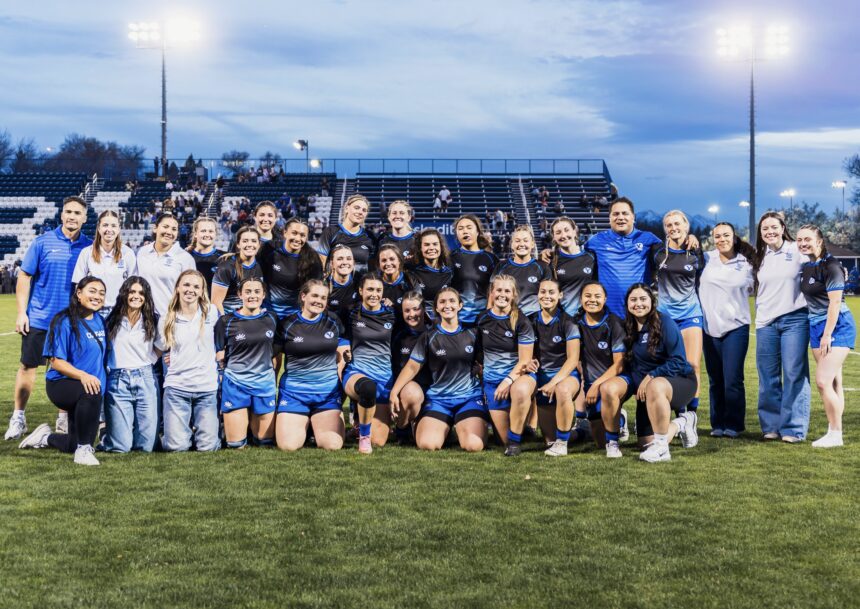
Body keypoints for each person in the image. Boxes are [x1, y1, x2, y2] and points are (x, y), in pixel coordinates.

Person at [6, 196, 92, 441]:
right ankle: (18, 417)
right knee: (27, 367)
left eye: (77, 213)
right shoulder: (42, 242)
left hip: (71, 322)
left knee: (66, 371)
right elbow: (24, 277)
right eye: (68, 212)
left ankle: (63, 418)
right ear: (61, 214)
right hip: (40, 319)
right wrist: (22, 313)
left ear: (85, 218)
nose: (72, 216)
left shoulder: (89, 247)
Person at [17, 276, 107, 466]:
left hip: (88, 388)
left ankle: (45, 437)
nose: (97, 296)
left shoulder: (101, 321)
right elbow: (56, 362)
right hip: (61, 384)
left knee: (71, 444)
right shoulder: (63, 321)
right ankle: (84, 451)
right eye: (92, 291)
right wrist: (84, 376)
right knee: (91, 391)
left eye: (101, 293)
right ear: (79, 293)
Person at [390, 288, 488, 452]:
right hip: (438, 400)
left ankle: (459, 426)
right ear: (436, 308)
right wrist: (395, 392)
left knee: (473, 445)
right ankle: (428, 426)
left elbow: (485, 362)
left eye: (451, 301)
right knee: (428, 445)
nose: (447, 305)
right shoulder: (429, 336)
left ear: (460, 305)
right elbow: (413, 366)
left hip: (468, 398)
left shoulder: (473, 333)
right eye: (442, 302)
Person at [623, 284, 698, 463]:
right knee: (645, 443)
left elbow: (679, 361)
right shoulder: (628, 327)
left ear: (652, 302)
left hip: (681, 381)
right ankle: (683, 422)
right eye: (633, 300)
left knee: (655, 385)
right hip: (649, 391)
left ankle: (663, 449)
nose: (638, 304)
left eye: (643, 299)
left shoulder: (665, 323)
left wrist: (651, 376)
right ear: (627, 303)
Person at [752, 211, 810, 442]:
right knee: (767, 376)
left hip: (795, 319)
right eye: (765, 228)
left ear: (783, 227)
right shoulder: (759, 256)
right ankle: (771, 426)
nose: (770, 232)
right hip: (766, 323)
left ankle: (793, 428)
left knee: (794, 373)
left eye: (774, 227)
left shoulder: (796, 250)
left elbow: (820, 262)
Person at [797, 225, 856, 448]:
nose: (803, 243)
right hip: (815, 326)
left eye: (808, 239)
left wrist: (827, 335)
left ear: (820, 241)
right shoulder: (806, 266)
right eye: (800, 240)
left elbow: (835, 302)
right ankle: (835, 431)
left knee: (822, 381)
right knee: (833, 382)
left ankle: (835, 433)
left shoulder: (831, 266)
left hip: (836, 327)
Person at [274, 280, 350, 451]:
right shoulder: (287, 324)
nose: (319, 301)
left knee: (332, 445)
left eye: (323, 297)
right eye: (314, 295)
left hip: (326, 395)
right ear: (303, 296)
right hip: (295, 394)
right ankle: (306, 426)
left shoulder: (333, 321)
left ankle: (315, 425)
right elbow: (275, 358)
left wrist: (342, 389)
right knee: (288, 446)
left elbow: (345, 358)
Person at [699, 222, 755, 438]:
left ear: (734, 237)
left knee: (732, 379)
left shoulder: (746, 262)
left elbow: (756, 286)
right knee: (715, 379)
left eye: (726, 235)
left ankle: (733, 425)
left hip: (736, 326)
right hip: (709, 326)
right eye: (718, 236)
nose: (722, 239)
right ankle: (717, 424)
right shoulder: (706, 259)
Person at [157, 270, 220, 452]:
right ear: (177, 288)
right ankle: (174, 434)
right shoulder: (167, 318)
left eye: (196, 286)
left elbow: (222, 340)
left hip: (206, 388)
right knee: (177, 448)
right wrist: (170, 356)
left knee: (207, 448)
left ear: (202, 291)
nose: (190, 290)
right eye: (186, 285)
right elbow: (159, 349)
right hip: (177, 389)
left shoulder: (212, 313)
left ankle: (211, 431)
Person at [474, 275, 536, 455]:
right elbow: (478, 352)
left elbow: (525, 361)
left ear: (514, 294)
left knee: (521, 391)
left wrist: (507, 381)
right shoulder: (482, 318)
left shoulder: (522, 321)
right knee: (502, 439)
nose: (502, 294)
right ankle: (520, 426)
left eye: (507, 291)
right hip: (492, 382)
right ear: (491, 293)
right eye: (498, 290)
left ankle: (516, 443)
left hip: (518, 377)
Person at [652, 210, 705, 418]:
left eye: (677, 224)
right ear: (665, 229)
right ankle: (679, 411)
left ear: (686, 226)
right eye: (669, 225)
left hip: (690, 313)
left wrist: (695, 240)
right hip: (665, 316)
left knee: (692, 365)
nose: (673, 228)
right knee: (669, 365)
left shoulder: (696, 251)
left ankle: (690, 416)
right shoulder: (657, 252)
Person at [215, 278, 279, 449]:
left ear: (264, 295)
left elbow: (277, 350)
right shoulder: (225, 321)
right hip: (236, 384)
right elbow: (218, 354)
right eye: (248, 292)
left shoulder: (272, 319)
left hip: (263, 384)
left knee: (265, 443)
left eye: (257, 292)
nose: (253, 295)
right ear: (239, 294)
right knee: (235, 445)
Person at [100, 277, 159, 453]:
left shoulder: (153, 320)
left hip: (145, 378)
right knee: (121, 448)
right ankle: (107, 434)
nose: (136, 296)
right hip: (118, 379)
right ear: (124, 293)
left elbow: (161, 347)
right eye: (132, 292)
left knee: (146, 447)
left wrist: (149, 361)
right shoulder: (110, 320)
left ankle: (117, 430)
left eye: (141, 293)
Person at [581, 198, 665, 317]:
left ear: (633, 217)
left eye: (625, 213)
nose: (620, 217)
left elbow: (671, 253)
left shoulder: (648, 238)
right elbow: (574, 256)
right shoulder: (596, 241)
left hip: (639, 313)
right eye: (615, 214)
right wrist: (549, 252)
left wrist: (689, 240)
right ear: (609, 218)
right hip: (608, 316)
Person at [342, 273, 397, 453]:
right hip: (357, 372)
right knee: (367, 388)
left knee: (379, 441)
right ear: (360, 290)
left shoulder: (392, 314)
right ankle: (363, 437)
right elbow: (338, 333)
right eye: (370, 289)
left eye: (378, 290)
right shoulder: (350, 312)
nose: (374, 294)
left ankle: (361, 424)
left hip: (384, 378)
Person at [576, 281, 631, 458]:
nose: (592, 300)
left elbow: (619, 364)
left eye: (597, 296)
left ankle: (614, 443)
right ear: (581, 299)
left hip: (615, 380)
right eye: (588, 296)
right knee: (599, 442)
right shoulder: (575, 323)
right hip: (591, 383)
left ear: (605, 299)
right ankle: (618, 418)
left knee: (608, 440)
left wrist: (596, 385)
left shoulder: (614, 323)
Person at [527, 279, 582, 457]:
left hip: (565, 376)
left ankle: (563, 444)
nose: (547, 296)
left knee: (563, 390)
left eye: (551, 292)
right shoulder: (530, 320)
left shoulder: (568, 322)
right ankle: (579, 433)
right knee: (549, 439)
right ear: (538, 295)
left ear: (560, 295)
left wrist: (554, 382)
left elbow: (573, 359)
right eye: (543, 292)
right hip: (542, 379)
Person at [72, 210, 137, 318]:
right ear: (99, 228)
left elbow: (134, 285)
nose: (109, 230)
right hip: (92, 311)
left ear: (118, 229)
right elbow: (78, 285)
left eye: (113, 226)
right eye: (105, 225)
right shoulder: (86, 252)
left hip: (119, 312)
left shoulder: (128, 253)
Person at [136, 212, 196, 318]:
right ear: (155, 228)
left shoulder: (185, 259)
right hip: (142, 319)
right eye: (165, 227)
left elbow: (191, 293)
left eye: (174, 229)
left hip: (170, 319)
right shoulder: (142, 252)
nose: (169, 232)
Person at [261, 218, 323, 319]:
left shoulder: (312, 259)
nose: (298, 239)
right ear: (285, 233)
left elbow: (315, 290)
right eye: (294, 233)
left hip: (294, 316)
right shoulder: (269, 249)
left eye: (302, 235)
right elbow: (252, 267)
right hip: (267, 312)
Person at [389, 291, 430, 444]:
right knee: (412, 393)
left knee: (429, 441)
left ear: (424, 309)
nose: (412, 314)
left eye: (416, 309)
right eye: (407, 310)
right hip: (407, 392)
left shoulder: (434, 332)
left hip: (433, 392)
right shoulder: (397, 335)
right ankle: (402, 430)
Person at [450, 214, 497, 326]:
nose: (465, 231)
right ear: (456, 234)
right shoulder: (450, 258)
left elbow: (495, 290)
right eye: (460, 229)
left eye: (469, 227)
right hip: (457, 321)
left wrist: (488, 316)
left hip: (483, 321)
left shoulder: (491, 259)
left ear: (477, 232)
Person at [492, 225, 549, 316]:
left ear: (532, 244)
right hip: (506, 318)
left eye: (526, 241)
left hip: (533, 319)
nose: (521, 244)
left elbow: (547, 297)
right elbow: (492, 294)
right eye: (517, 241)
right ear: (512, 244)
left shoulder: (542, 267)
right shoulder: (502, 266)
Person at [547, 217, 597, 317]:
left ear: (575, 231)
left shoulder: (592, 257)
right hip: (565, 319)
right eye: (558, 232)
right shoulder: (552, 262)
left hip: (589, 318)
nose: (563, 235)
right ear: (554, 237)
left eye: (567, 230)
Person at [316, 194, 376, 274]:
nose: (360, 212)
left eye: (364, 210)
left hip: (360, 285)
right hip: (334, 284)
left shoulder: (370, 236)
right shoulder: (330, 232)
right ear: (347, 208)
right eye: (357, 208)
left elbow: (372, 269)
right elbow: (321, 264)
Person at [211, 226, 264, 315]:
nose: (249, 244)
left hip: (249, 318)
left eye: (254, 241)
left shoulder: (261, 266)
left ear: (259, 244)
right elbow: (216, 303)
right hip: (229, 319)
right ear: (238, 244)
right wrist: (224, 324)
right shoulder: (226, 267)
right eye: (245, 241)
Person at [408, 229, 453, 320]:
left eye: (435, 244)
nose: (431, 248)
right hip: (419, 322)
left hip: (444, 322)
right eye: (427, 245)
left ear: (441, 246)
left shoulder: (450, 273)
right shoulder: (411, 271)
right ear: (420, 248)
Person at [187, 217, 224, 296]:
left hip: (214, 306)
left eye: (211, 231)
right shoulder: (185, 256)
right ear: (196, 234)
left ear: (215, 234)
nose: (207, 234)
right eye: (203, 231)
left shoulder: (224, 258)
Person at [377, 244, 412, 325]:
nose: (388, 263)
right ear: (379, 264)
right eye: (384, 260)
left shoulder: (410, 281)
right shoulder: (374, 282)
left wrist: (393, 307)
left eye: (392, 259)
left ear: (399, 261)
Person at [325, 244, 360, 327]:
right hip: (329, 330)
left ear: (353, 262)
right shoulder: (322, 285)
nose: (345, 262)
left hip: (354, 329)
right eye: (340, 259)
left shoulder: (361, 281)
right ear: (331, 263)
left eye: (349, 259)